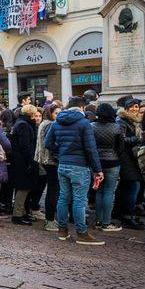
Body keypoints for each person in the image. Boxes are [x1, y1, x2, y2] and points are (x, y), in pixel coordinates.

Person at [45, 97, 104, 245]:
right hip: (80, 165)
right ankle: (82, 232)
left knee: (63, 198)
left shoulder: (57, 121)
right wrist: (98, 169)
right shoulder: (84, 123)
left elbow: (48, 143)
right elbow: (91, 149)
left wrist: (61, 151)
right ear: (82, 108)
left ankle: (62, 230)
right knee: (79, 200)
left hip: (63, 164)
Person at [91, 103, 125, 232]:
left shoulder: (92, 126)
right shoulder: (117, 128)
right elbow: (121, 147)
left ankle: (99, 220)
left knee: (99, 191)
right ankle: (106, 222)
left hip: (96, 162)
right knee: (109, 191)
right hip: (113, 161)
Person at [116, 97, 145, 230]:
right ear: (126, 108)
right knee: (134, 185)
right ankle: (128, 215)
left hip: (132, 157)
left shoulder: (136, 121)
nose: (135, 109)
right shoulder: (121, 120)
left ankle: (118, 212)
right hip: (125, 157)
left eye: (136, 107)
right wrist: (137, 139)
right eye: (132, 107)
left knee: (125, 186)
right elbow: (121, 140)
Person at [8, 104, 38, 226]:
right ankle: (18, 215)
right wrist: (30, 161)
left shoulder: (19, 123)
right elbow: (25, 145)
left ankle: (21, 213)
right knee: (23, 187)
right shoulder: (24, 125)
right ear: (30, 114)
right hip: (22, 161)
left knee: (22, 187)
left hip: (19, 160)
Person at [34, 102, 62, 231]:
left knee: (52, 188)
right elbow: (50, 144)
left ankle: (50, 218)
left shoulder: (44, 123)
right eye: (56, 113)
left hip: (45, 159)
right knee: (53, 189)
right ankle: (50, 220)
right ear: (50, 113)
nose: (59, 115)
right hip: (50, 160)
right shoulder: (50, 124)